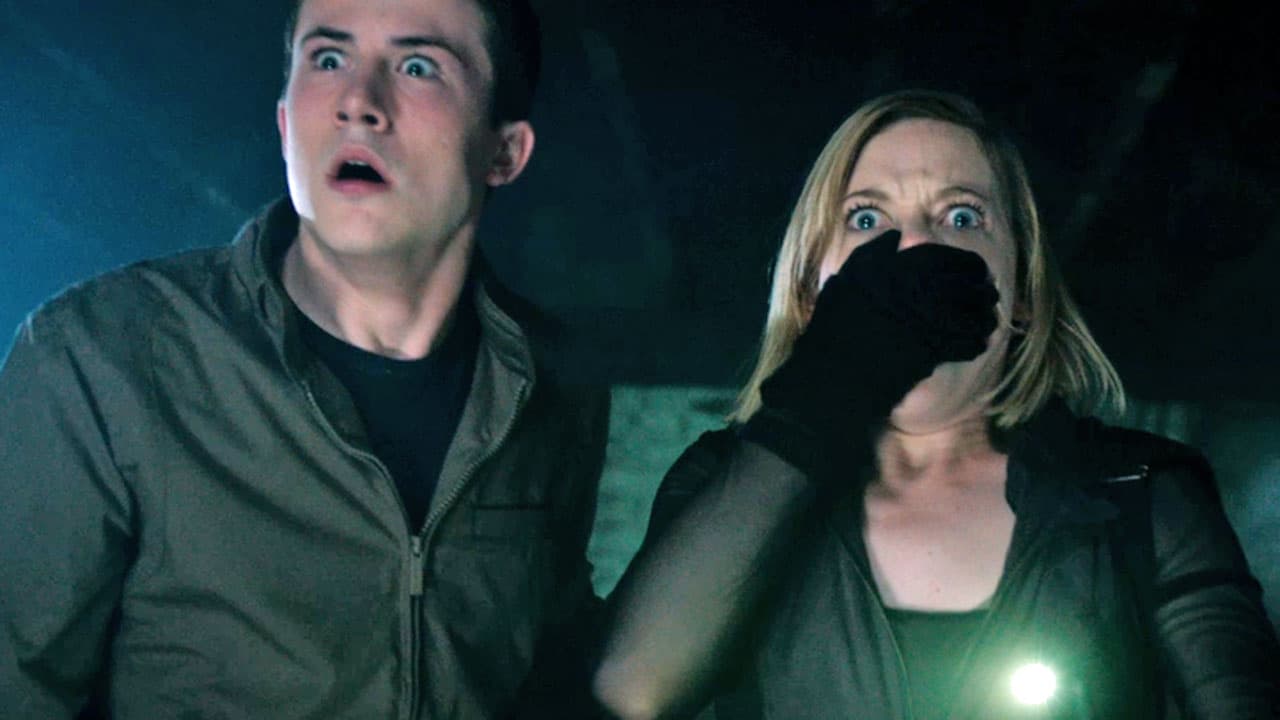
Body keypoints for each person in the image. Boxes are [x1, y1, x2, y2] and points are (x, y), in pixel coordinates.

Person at [0, 0, 609, 717]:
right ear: (288, 122)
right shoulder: (101, 358)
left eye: (418, 66)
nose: (358, 101)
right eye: (328, 58)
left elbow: (547, 674)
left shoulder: (553, 386)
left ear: (504, 151)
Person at [592, 90, 1280, 719]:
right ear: (810, 289)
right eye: (866, 218)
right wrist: (823, 388)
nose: (916, 247)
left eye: (962, 216)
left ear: (1021, 291)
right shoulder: (723, 484)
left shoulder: (1144, 492)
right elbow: (634, 691)